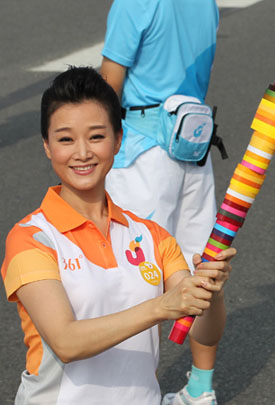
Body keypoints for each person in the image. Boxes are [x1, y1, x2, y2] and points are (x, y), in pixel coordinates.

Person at [0, 67, 235, 405]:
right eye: (66, 139)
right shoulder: (32, 239)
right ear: (47, 147)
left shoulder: (152, 237)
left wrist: (211, 294)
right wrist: (161, 306)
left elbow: (203, 332)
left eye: (96, 136)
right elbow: (66, 342)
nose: (82, 153)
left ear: (118, 140)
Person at [99, 1, 224, 403]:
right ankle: (201, 390)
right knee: (203, 273)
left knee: (137, 278)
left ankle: (136, 392)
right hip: (194, 146)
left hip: (141, 151)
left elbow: (108, 85)